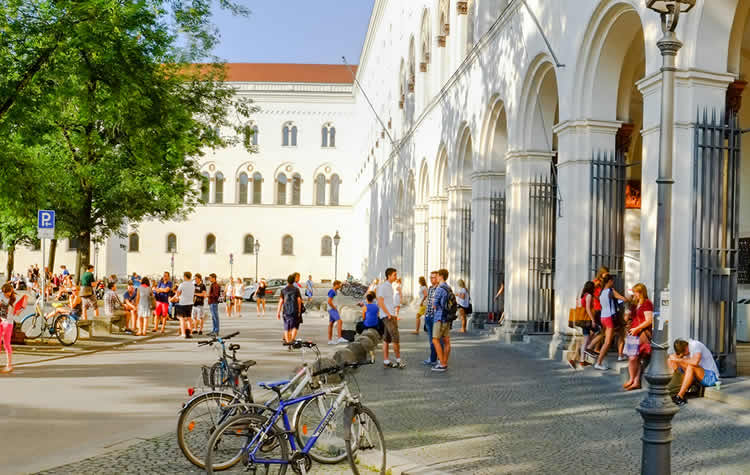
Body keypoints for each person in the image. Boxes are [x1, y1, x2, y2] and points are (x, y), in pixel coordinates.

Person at [668, 338, 720, 407]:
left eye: (683, 353)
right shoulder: (685, 351)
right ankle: (671, 390)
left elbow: (695, 362)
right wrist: (674, 359)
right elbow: (674, 358)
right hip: (699, 376)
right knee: (671, 359)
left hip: (711, 377)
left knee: (691, 366)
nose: (684, 355)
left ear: (686, 347)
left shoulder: (695, 345)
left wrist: (679, 359)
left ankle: (679, 397)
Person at [593, 274, 627, 370]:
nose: (613, 283)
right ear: (610, 281)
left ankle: (620, 355)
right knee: (607, 342)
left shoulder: (602, 292)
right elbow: (623, 299)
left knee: (620, 333)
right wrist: (628, 299)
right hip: (610, 317)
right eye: (612, 281)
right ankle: (599, 362)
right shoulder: (611, 291)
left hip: (603, 317)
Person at [623, 283, 653, 391]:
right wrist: (628, 307)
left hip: (640, 333)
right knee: (632, 358)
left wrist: (637, 328)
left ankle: (636, 381)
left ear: (641, 292)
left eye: (635, 292)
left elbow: (649, 320)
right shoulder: (635, 304)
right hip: (633, 332)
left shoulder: (647, 303)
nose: (634, 294)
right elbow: (627, 317)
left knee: (637, 357)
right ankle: (632, 379)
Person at [377, 268, 404, 369]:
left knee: (386, 339)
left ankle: (386, 360)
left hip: (390, 315)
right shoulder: (384, 286)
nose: (396, 277)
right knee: (395, 338)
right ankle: (399, 360)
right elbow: (380, 301)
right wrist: (388, 314)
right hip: (388, 316)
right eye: (394, 275)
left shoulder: (389, 286)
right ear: (389, 276)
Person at [431, 269, 453, 372]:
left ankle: (442, 364)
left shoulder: (439, 289)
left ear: (441, 276)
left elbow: (434, 305)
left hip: (439, 317)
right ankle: (444, 361)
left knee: (435, 339)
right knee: (446, 341)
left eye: (438, 276)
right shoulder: (448, 288)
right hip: (447, 318)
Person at [0, 282, 20, 372]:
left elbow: (16, 312)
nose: (5, 294)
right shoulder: (2, 296)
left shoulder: (14, 300)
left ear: (11, 292)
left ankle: (9, 365)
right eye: (4, 292)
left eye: (7, 292)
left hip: (8, 323)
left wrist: (18, 311)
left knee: (6, 344)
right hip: (1, 321)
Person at [278, 274, 302, 344]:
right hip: (295, 310)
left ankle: (288, 341)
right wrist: (299, 311)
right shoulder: (296, 289)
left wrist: (278, 312)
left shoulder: (283, 290)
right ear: (293, 281)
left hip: (286, 311)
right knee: (294, 325)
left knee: (286, 326)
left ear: (287, 281)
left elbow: (281, 302)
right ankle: (291, 340)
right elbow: (299, 301)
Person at [578, 281, 597, 366]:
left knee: (586, 338)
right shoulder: (588, 296)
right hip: (587, 320)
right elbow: (588, 309)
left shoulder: (583, 295)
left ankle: (582, 359)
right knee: (588, 338)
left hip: (583, 319)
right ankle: (583, 359)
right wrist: (593, 320)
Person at [171, 271, 195, 338]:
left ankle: (183, 333)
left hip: (182, 303)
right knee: (189, 318)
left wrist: (173, 299)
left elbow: (177, 294)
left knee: (182, 319)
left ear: (184, 276)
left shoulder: (182, 284)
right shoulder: (192, 285)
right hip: (190, 303)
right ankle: (190, 332)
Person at [422, 272, 439, 366]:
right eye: (431, 277)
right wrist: (425, 315)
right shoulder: (430, 288)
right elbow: (428, 302)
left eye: (434, 277)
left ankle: (436, 359)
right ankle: (433, 358)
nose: (432, 279)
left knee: (436, 339)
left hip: (434, 317)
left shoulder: (439, 289)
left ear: (438, 278)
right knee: (431, 339)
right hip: (428, 316)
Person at [327, 280, 347, 345]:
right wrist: (334, 308)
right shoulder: (332, 291)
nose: (340, 286)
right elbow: (329, 301)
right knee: (339, 321)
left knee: (331, 324)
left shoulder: (334, 291)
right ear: (336, 285)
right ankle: (339, 338)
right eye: (340, 285)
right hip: (332, 309)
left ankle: (330, 340)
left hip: (331, 309)